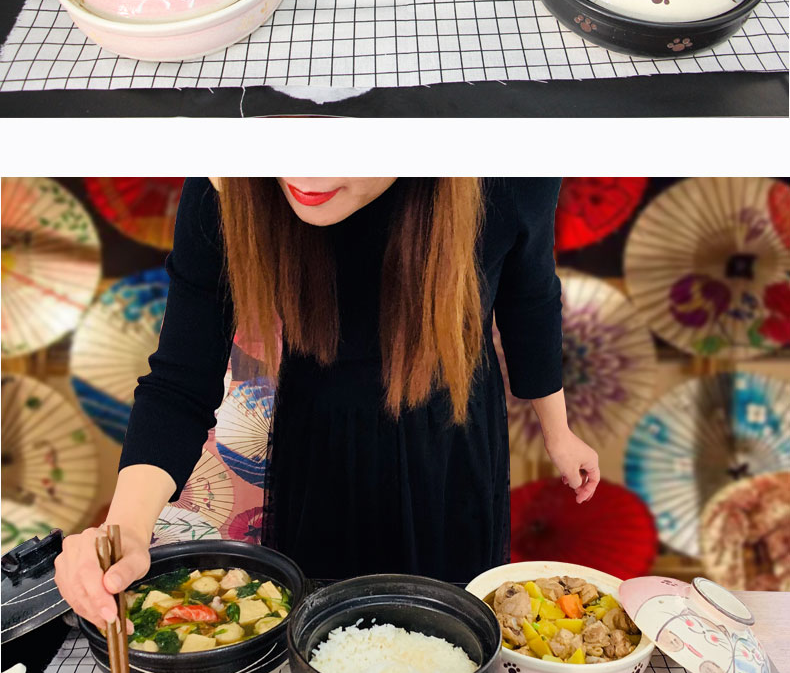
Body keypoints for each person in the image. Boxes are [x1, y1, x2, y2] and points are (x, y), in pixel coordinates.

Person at [55, 177, 600, 629]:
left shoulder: (506, 171)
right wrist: (126, 529)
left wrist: (558, 431)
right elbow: (181, 378)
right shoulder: (229, 179)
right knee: (322, 632)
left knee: (455, 632)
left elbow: (529, 293)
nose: (305, 175)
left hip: (453, 439)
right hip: (317, 443)